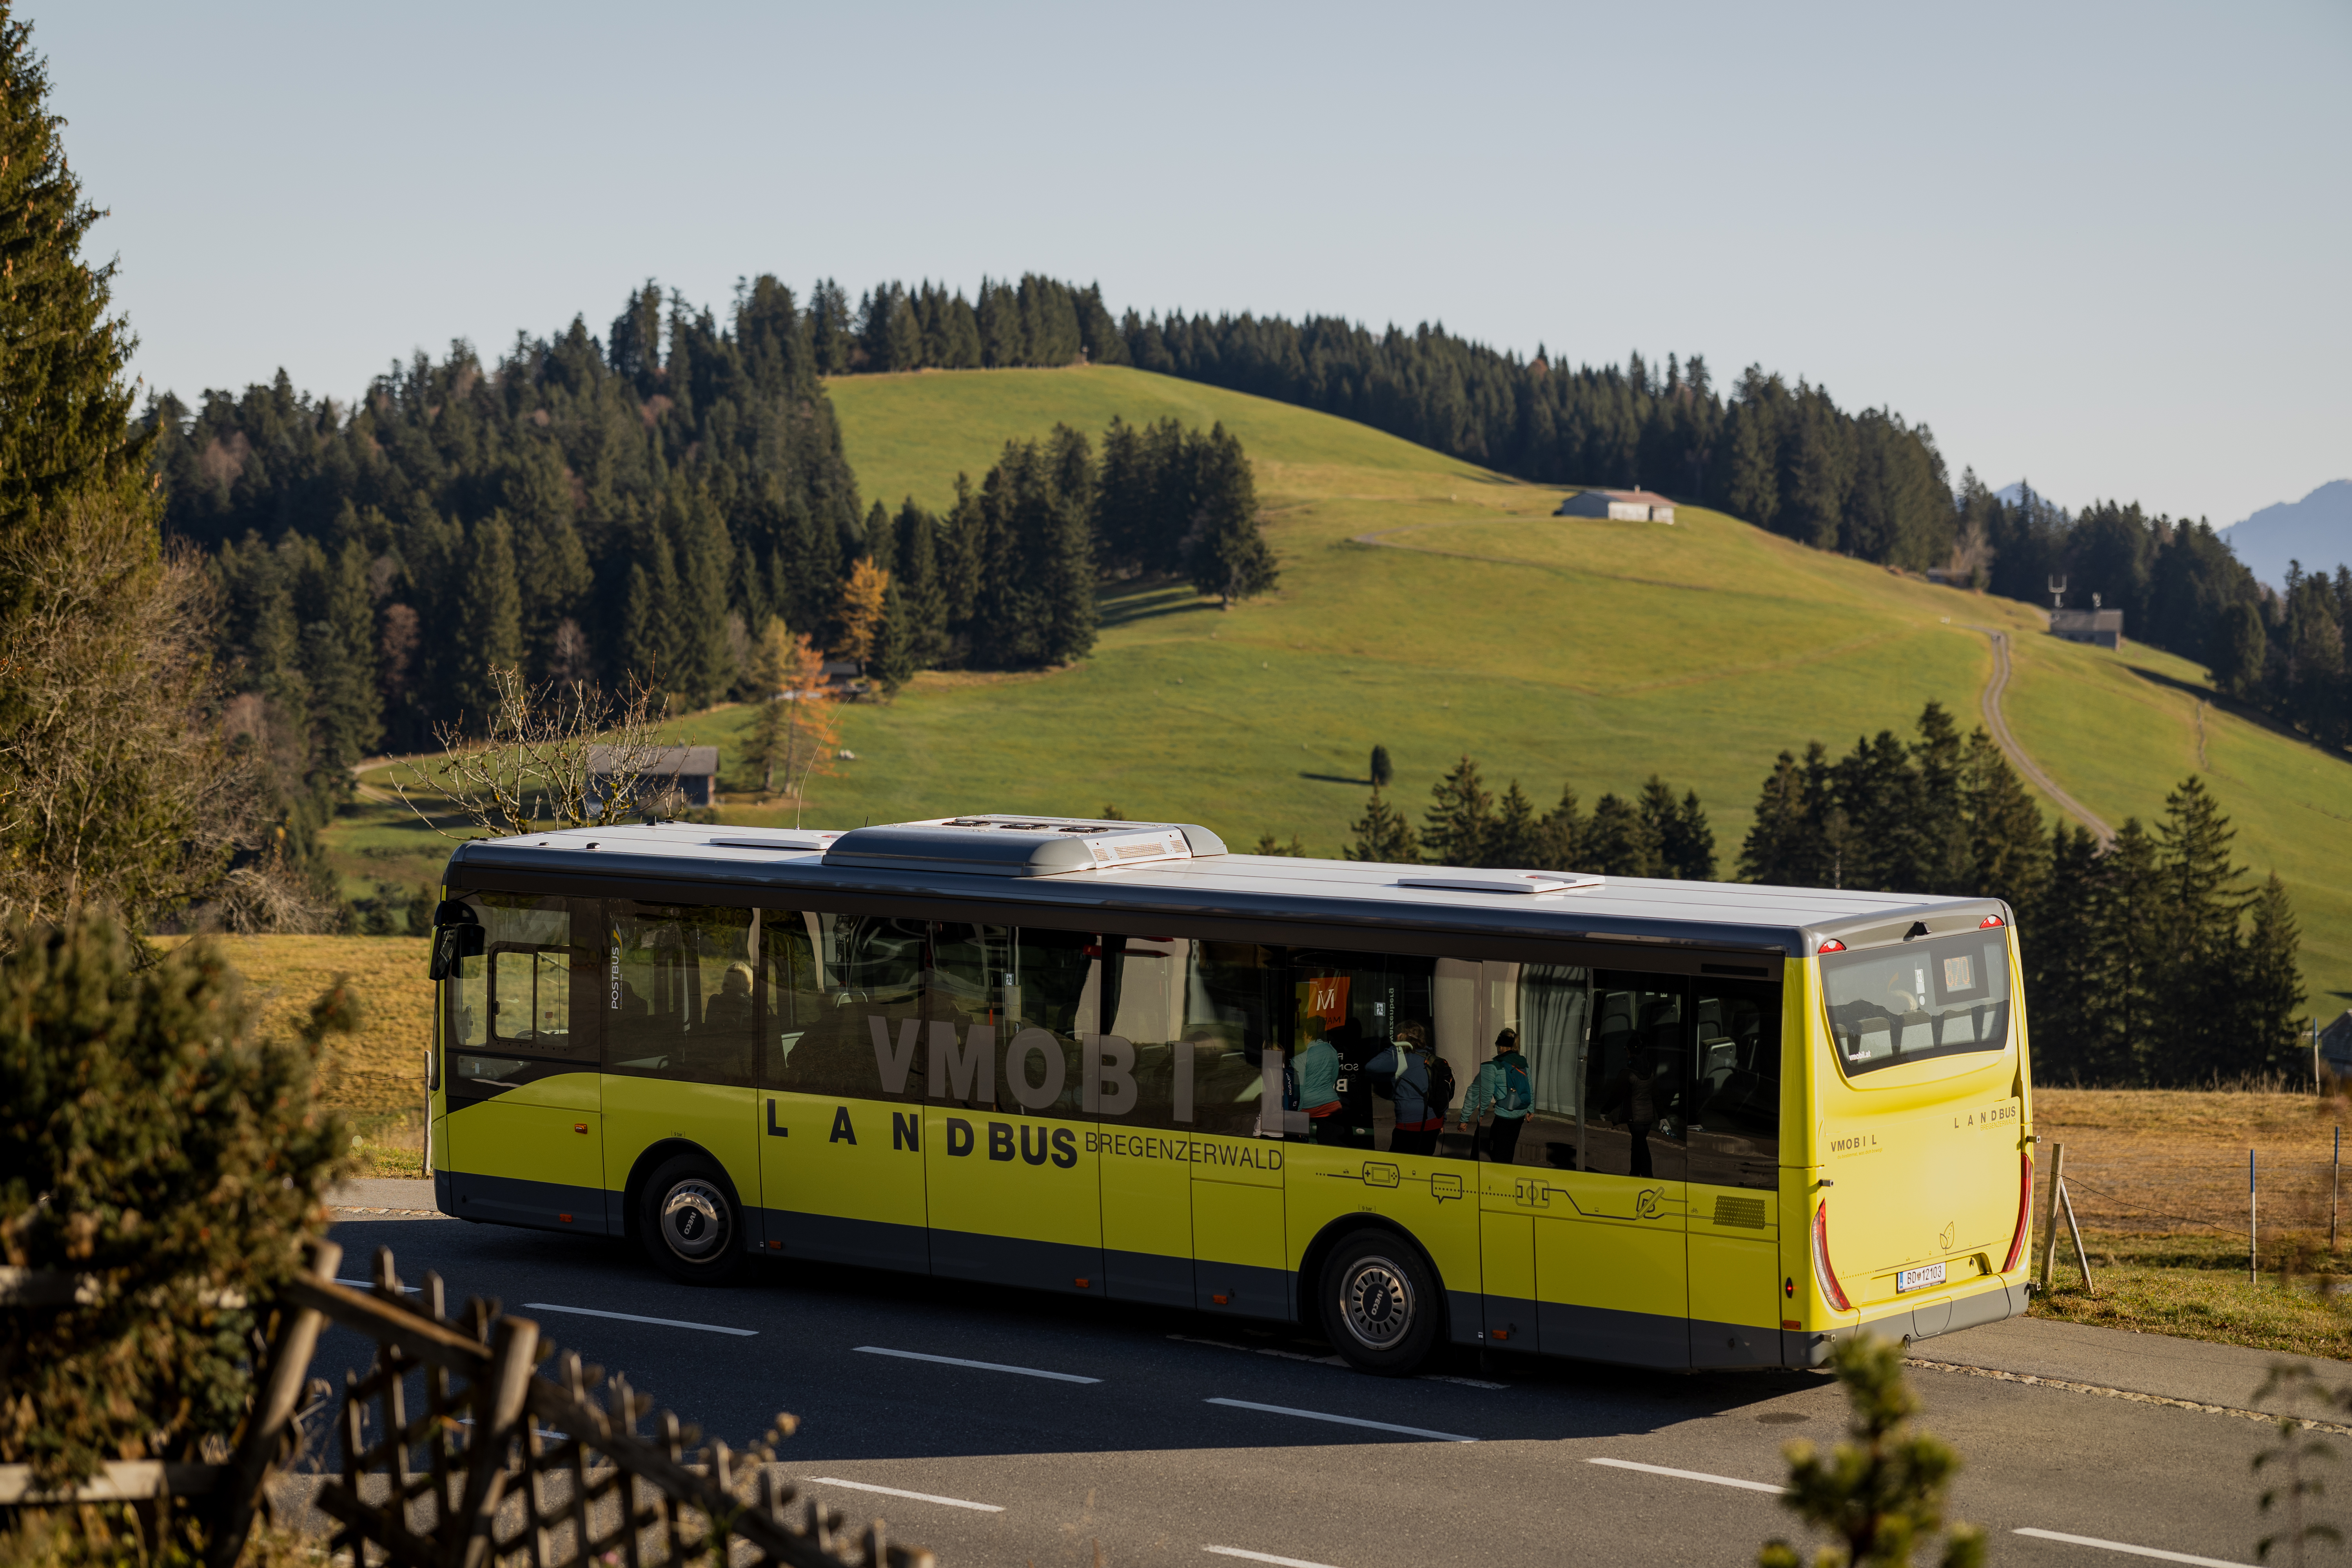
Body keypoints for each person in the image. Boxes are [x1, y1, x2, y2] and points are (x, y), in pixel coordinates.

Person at [1367, 1022, 1443, 1156]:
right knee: (1423, 1161)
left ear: (1404, 1037)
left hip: (1410, 1123)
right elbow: (1441, 1090)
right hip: (1435, 1122)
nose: (1396, 1036)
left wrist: (1394, 1049)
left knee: (1398, 1164)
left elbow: (1371, 1066)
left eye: (1399, 1034)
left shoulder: (1401, 1060)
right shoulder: (1431, 1056)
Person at [1459, 1027, 1533, 1164]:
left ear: (1500, 1046)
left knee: (1497, 1155)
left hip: (1504, 1117)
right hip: (1520, 1114)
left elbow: (1480, 1094)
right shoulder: (1522, 1063)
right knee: (1509, 1152)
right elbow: (1529, 1087)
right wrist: (1531, 1109)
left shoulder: (1492, 1066)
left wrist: (1469, 1117)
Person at [1289, 1015, 1346, 1143]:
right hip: (1332, 1106)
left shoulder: (1299, 1060)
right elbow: (1334, 1077)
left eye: (1304, 1034)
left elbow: (1299, 1090)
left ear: (1310, 1035)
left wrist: (1298, 1116)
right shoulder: (1332, 1050)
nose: (1303, 1037)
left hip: (1308, 1108)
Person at [703, 961, 755, 1034]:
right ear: (748, 982)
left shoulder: (715, 1000)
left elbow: (710, 1029)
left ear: (726, 980)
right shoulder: (753, 1003)